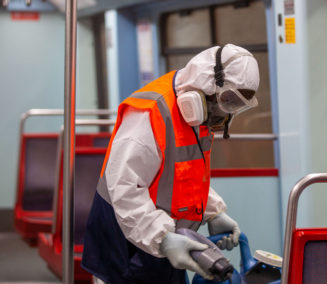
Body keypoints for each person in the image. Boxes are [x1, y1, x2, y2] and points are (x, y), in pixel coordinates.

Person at [81, 43, 260, 284]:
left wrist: (213, 211)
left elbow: (184, 174)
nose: (225, 112)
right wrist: (163, 238)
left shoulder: (200, 116)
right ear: (207, 83)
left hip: (164, 237)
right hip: (125, 241)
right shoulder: (150, 114)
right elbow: (124, 189)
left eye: (235, 106)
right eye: (227, 100)